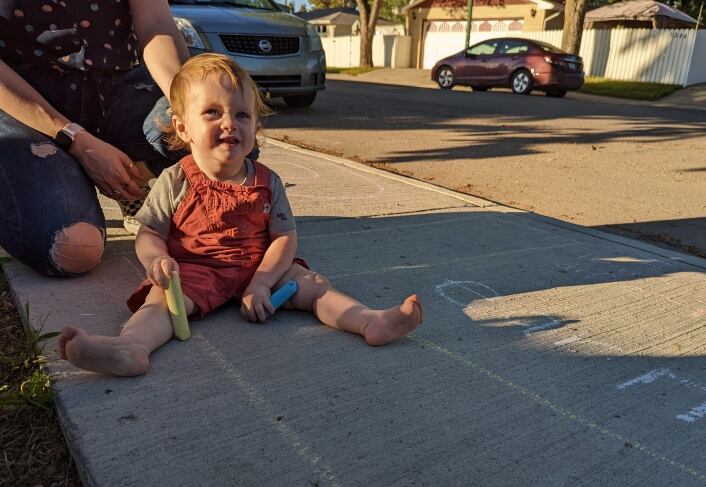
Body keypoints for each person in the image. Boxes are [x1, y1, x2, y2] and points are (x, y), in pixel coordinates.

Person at [58, 54, 423, 376]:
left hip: (258, 266)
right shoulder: (175, 179)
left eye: (242, 114)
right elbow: (150, 232)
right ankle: (131, 347)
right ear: (183, 128)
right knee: (161, 303)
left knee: (314, 285)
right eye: (213, 112)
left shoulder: (267, 182)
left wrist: (262, 282)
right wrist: (158, 260)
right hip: (194, 269)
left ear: (255, 129)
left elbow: (284, 238)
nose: (230, 122)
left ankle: (369, 321)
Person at [0, 0, 189, 277]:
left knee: (222, 122)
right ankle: (59, 173)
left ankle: (128, 177)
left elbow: (156, 24)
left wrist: (190, 106)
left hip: (114, 92)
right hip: (24, 106)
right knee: (73, 249)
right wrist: (75, 139)